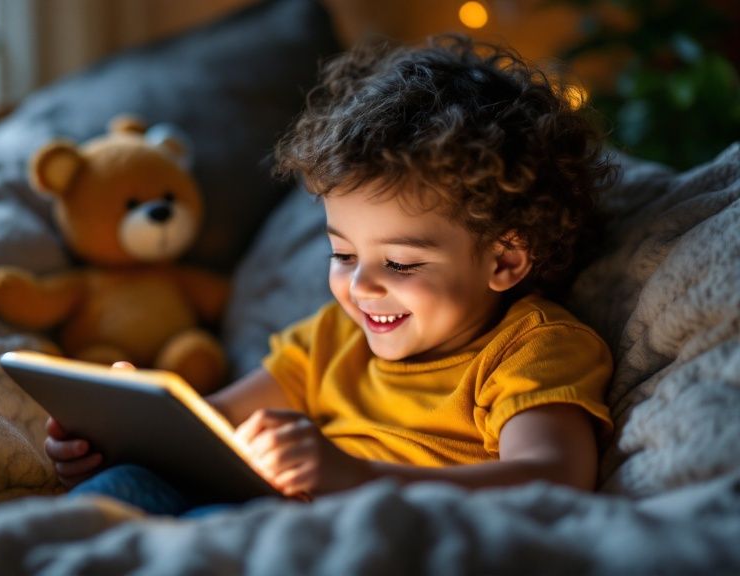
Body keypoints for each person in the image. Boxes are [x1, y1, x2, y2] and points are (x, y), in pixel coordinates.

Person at [43, 34, 617, 515]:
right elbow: (211, 429)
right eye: (343, 255)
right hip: (265, 518)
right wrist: (129, 430)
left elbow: (553, 479)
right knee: (117, 494)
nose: (361, 286)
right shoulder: (332, 339)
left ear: (504, 260)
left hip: (384, 538)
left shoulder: (532, 348)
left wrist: (356, 477)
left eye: (399, 262)